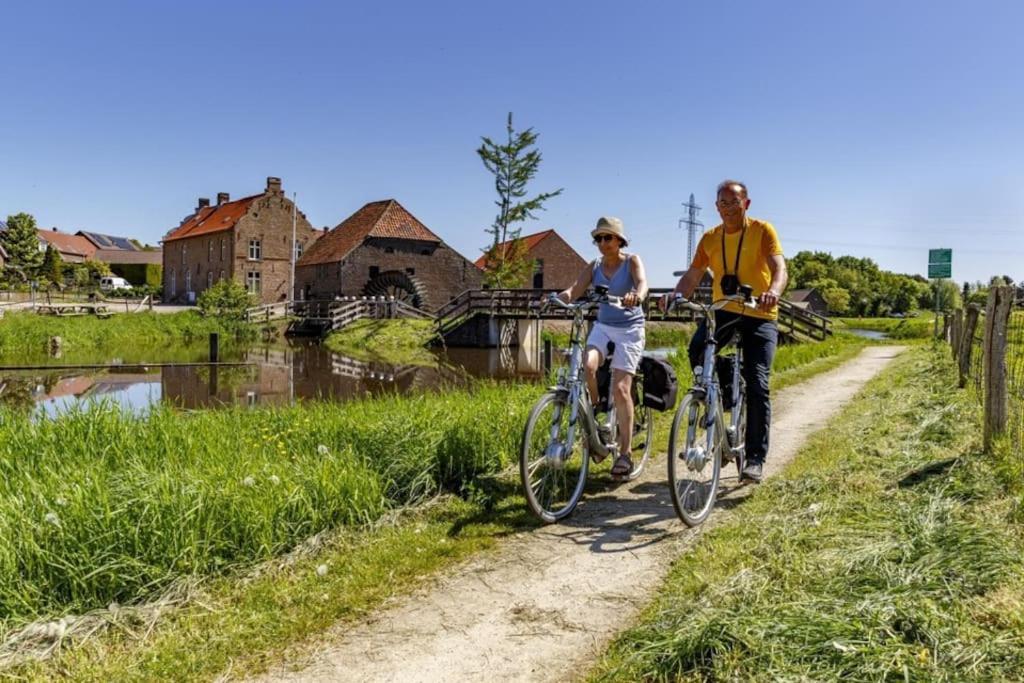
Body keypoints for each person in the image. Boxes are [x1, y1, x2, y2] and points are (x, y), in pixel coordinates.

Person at [661, 180, 787, 483]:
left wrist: (773, 290)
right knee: (696, 350)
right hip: (724, 308)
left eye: (734, 202)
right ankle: (722, 396)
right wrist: (677, 296)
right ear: (716, 207)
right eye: (722, 203)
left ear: (746, 203)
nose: (728, 208)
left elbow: (779, 268)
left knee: (758, 383)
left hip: (759, 312)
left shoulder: (762, 231)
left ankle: (755, 458)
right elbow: (692, 275)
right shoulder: (710, 238)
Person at [556, 216, 648, 477]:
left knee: (621, 388)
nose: (602, 242)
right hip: (603, 326)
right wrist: (557, 298)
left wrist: (636, 296)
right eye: (598, 238)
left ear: (619, 240)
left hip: (630, 328)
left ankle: (625, 453)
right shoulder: (594, 265)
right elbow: (574, 289)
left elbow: (642, 283)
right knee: (587, 366)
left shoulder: (631, 261)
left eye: (608, 237)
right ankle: (597, 417)